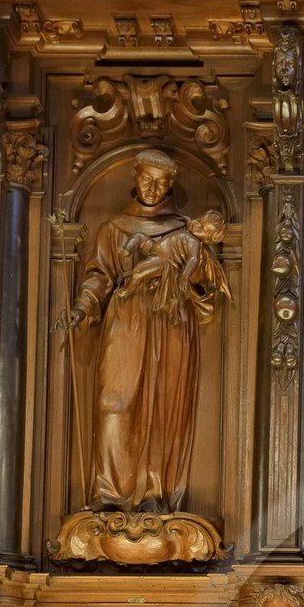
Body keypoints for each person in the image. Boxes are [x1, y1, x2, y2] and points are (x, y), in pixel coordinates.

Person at [63, 149, 230, 513]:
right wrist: (82, 308)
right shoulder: (113, 228)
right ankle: (109, 494)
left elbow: (206, 290)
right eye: (146, 179)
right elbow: (99, 277)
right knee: (113, 403)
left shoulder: (184, 232)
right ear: (135, 177)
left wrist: (191, 283)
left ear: (170, 185)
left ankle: (154, 495)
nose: (153, 188)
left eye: (161, 182)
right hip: (124, 322)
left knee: (161, 410)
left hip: (170, 325)